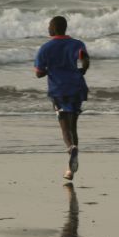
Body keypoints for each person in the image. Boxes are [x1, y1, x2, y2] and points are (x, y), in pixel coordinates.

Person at [34, 16, 90, 180]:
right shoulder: (76, 44)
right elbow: (85, 61)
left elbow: (38, 73)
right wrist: (82, 71)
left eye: (49, 26)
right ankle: (71, 169)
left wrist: (49, 70)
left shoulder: (45, 48)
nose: (48, 29)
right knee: (73, 126)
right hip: (77, 87)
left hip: (58, 90)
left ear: (53, 28)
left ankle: (71, 148)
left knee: (65, 128)